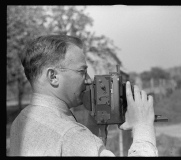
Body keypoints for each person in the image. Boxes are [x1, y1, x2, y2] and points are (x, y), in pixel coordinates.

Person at [9, 35, 158, 156]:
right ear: (53, 76)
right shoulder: (71, 135)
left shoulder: (21, 122)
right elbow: (74, 141)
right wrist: (143, 126)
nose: (88, 80)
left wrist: (94, 125)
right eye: (82, 71)